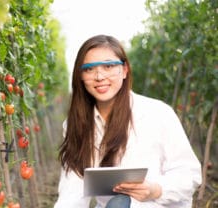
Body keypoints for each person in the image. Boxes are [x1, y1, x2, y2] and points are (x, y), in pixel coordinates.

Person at [54, 34, 201, 208]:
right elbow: (73, 190)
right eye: (89, 69)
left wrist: (156, 190)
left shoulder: (158, 113)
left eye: (108, 66)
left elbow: (189, 173)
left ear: (124, 70)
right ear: (80, 76)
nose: (99, 76)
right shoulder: (76, 124)